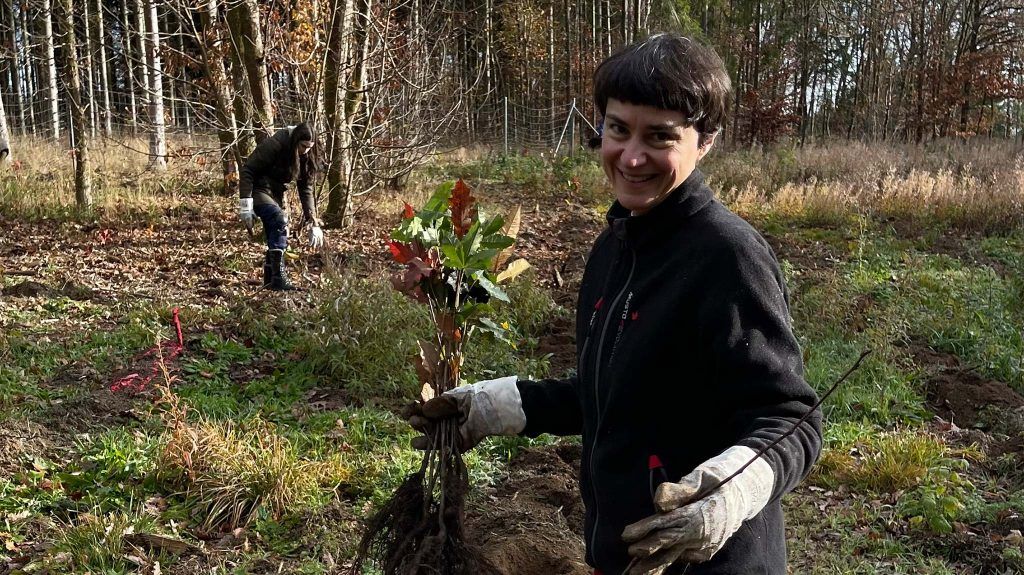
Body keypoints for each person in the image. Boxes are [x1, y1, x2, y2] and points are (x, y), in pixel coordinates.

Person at [406, 33, 822, 575]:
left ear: (706, 141)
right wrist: (498, 406)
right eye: (618, 129)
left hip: (708, 563)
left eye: (660, 136)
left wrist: (729, 494)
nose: (631, 156)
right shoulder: (614, 248)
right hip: (622, 556)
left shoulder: (728, 257)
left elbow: (793, 419)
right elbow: (611, 395)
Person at [237, 123, 324, 291]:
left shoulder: (308, 154)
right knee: (279, 220)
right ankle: (278, 280)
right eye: (303, 146)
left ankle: (270, 279)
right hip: (257, 189)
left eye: (309, 147)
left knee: (275, 229)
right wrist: (245, 206)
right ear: (296, 140)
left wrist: (312, 220)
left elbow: (306, 188)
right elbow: (248, 170)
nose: (306, 151)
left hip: (275, 193)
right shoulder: (276, 144)